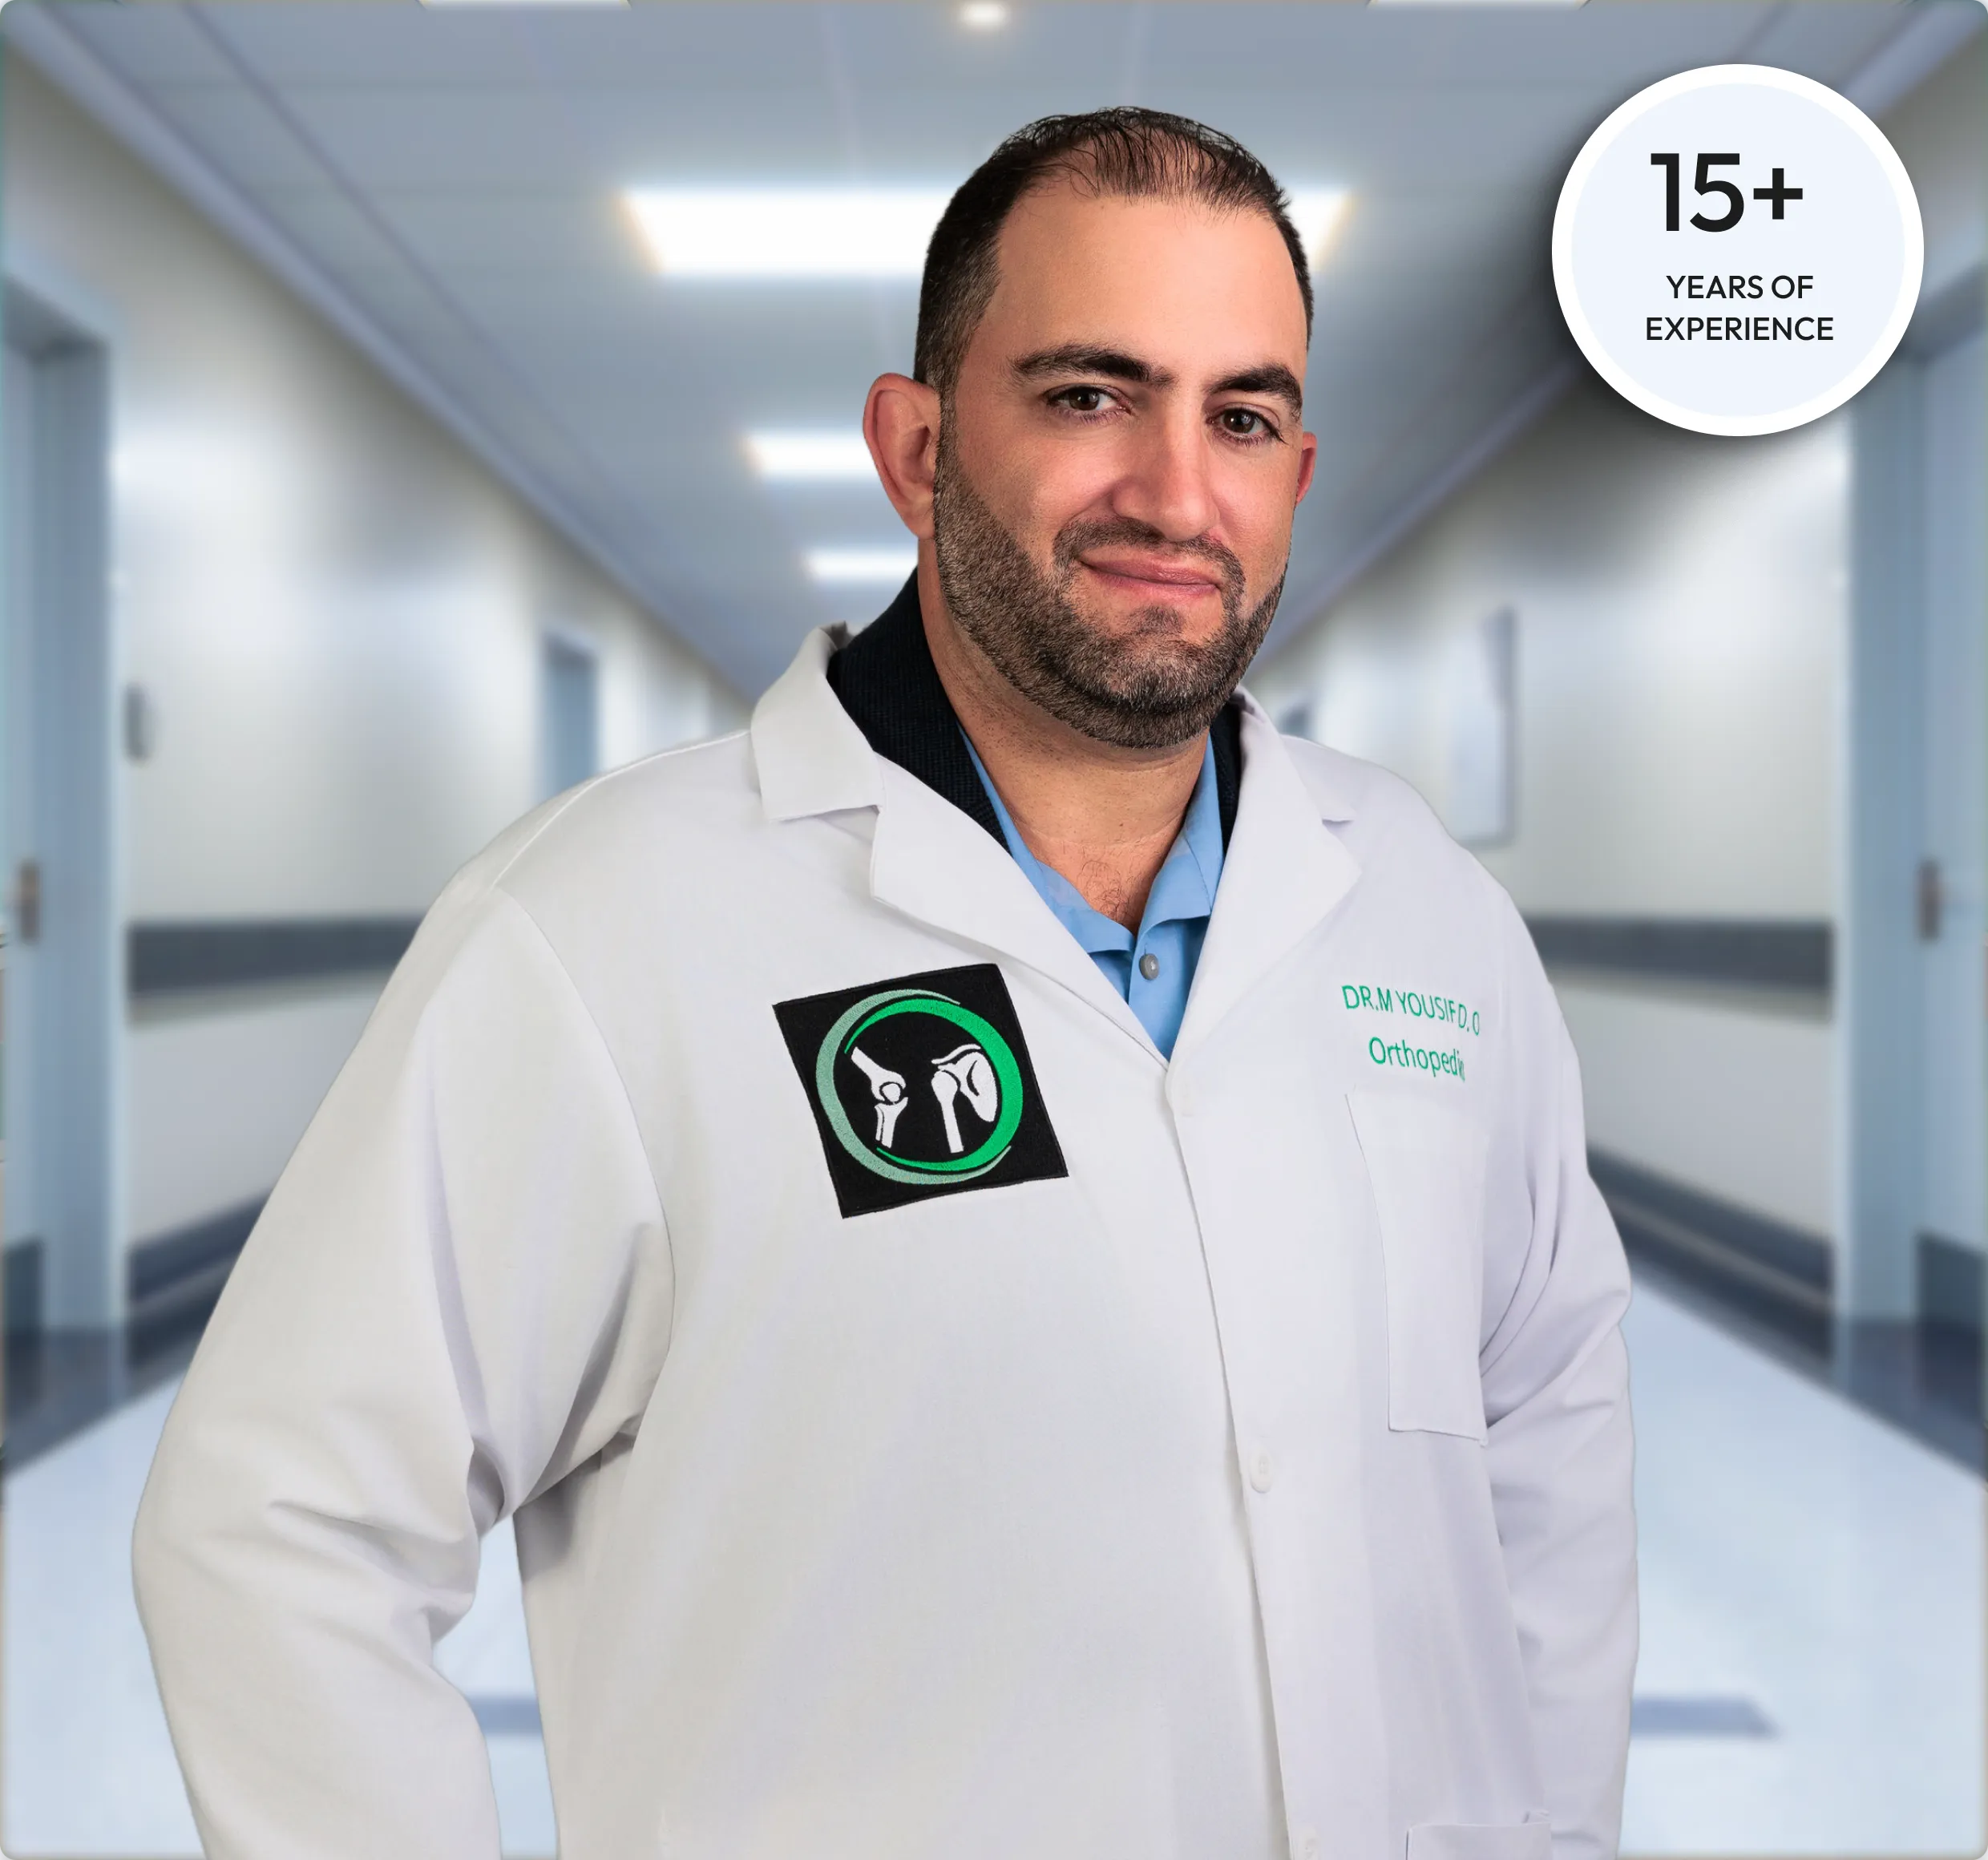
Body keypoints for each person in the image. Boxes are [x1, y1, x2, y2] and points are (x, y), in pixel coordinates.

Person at [135, 108, 1635, 1860]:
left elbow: (1547, 1436)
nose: (1174, 490)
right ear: (916, 446)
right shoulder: (600, 927)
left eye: (1239, 415)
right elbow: (278, 1520)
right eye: (1088, 394)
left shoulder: (1422, 913)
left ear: (1296, 474)